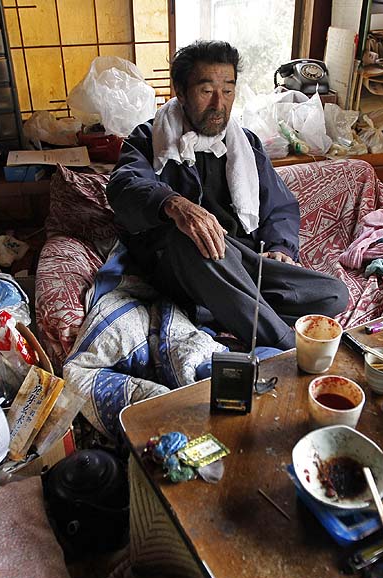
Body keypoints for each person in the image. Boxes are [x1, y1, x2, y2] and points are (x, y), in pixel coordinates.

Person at [106, 40, 349, 350]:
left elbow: (279, 205)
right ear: (180, 91)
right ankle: (287, 342)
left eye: (228, 91)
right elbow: (123, 186)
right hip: (182, 264)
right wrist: (174, 204)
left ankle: (222, 310)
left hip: (242, 261)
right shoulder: (148, 138)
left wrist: (279, 247)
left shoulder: (245, 143)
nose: (219, 104)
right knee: (191, 238)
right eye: (207, 91)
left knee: (333, 295)